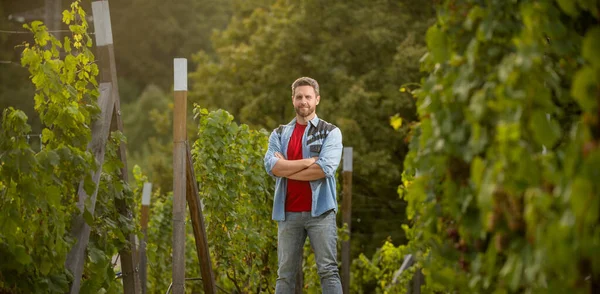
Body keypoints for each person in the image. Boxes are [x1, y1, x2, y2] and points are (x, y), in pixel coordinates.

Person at [264, 77, 343, 293]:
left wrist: (286, 168)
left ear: (317, 99)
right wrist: (308, 162)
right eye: (299, 97)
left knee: (328, 271)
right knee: (285, 274)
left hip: (321, 212)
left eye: (308, 96)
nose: (303, 101)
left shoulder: (330, 132)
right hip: (288, 213)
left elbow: (324, 169)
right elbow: (271, 167)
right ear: (293, 100)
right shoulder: (279, 133)